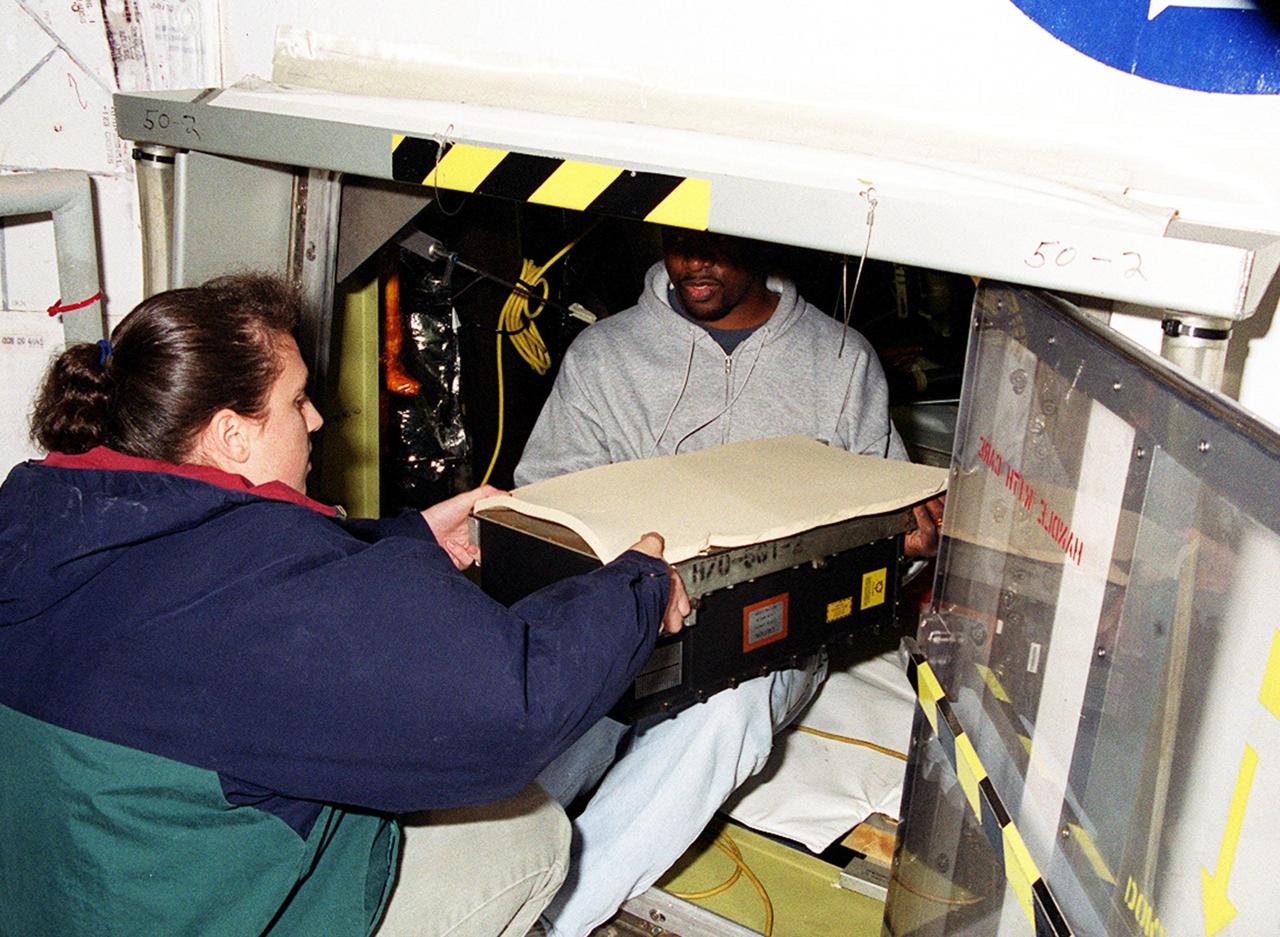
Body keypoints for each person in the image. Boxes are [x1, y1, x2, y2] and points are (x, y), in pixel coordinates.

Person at [0, 273, 689, 937]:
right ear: (232, 435)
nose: (317, 418)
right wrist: (640, 583)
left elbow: (213, 587)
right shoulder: (262, 582)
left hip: (62, 901)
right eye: (297, 400)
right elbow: (516, 708)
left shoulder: (41, 511)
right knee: (526, 833)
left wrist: (406, 538)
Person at [515, 228, 943, 937]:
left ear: (763, 238)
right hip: (626, 617)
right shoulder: (605, 355)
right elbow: (545, 503)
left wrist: (910, 549)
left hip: (773, 636)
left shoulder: (839, 359)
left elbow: (887, 527)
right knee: (554, 723)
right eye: (677, 243)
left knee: (727, 712)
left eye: (714, 246)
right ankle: (474, 889)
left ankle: (555, 921)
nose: (691, 263)